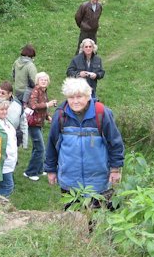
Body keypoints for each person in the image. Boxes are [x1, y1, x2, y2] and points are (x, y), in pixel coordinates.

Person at [45, 78, 124, 209]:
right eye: (71, 97)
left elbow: (115, 143)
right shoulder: (60, 116)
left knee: (99, 223)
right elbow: (52, 145)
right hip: (70, 182)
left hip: (99, 182)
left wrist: (115, 169)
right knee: (73, 222)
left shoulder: (101, 113)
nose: (75, 101)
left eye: (79, 96)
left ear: (88, 96)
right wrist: (51, 169)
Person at [24, 72, 57, 181]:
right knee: (40, 149)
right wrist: (48, 104)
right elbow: (33, 106)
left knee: (37, 148)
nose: (43, 81)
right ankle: (30, 172)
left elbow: (42, 107)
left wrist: (48, 116)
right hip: (33, 123)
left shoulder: (43, 91)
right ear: (37, 81)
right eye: (41, 79)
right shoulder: (35, 91)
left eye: (45, 80)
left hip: (39, 123)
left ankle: (38, 169)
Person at [0, 98, 18, 198]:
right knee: (8, 186)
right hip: (2, 162)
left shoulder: (5, 120)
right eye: (2, 109)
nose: (5, 112)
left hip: (9, 161)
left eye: (6, 109)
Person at [0, 81, 28, 149]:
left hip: (13, 139)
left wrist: (25, 142)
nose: (0, 95)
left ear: (10, 94)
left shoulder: (18, 105)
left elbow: (23, 123)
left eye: (3, 93)